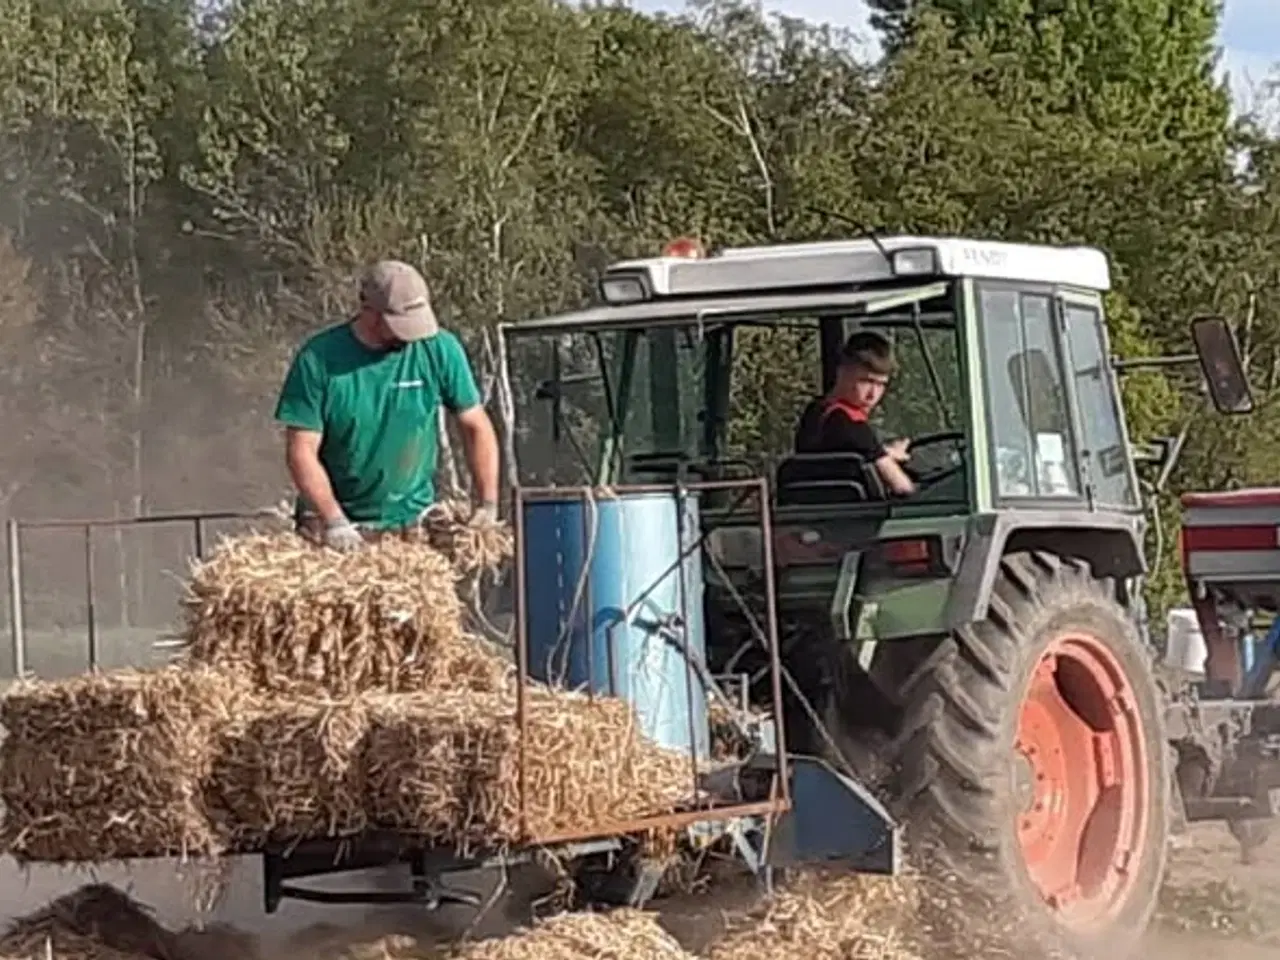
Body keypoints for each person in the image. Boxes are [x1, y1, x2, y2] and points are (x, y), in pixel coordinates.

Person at [274, 259, 501, 550]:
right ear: (369, 312)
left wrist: (487, 503)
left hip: (413, 524)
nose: (411, 336)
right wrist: (335, 522)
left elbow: (476, 426)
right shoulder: (318, 359)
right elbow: (301, 451)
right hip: (337, 524)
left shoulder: (439, 348)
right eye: (401, 325)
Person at [793, 329, 915, 496]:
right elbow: (902, 487)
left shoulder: (815, 413)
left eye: (881, 384)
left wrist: (886, 452)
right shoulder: (852, 425)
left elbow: (858, 451)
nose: (873, 394)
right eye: (866, 381)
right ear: (842, 372)